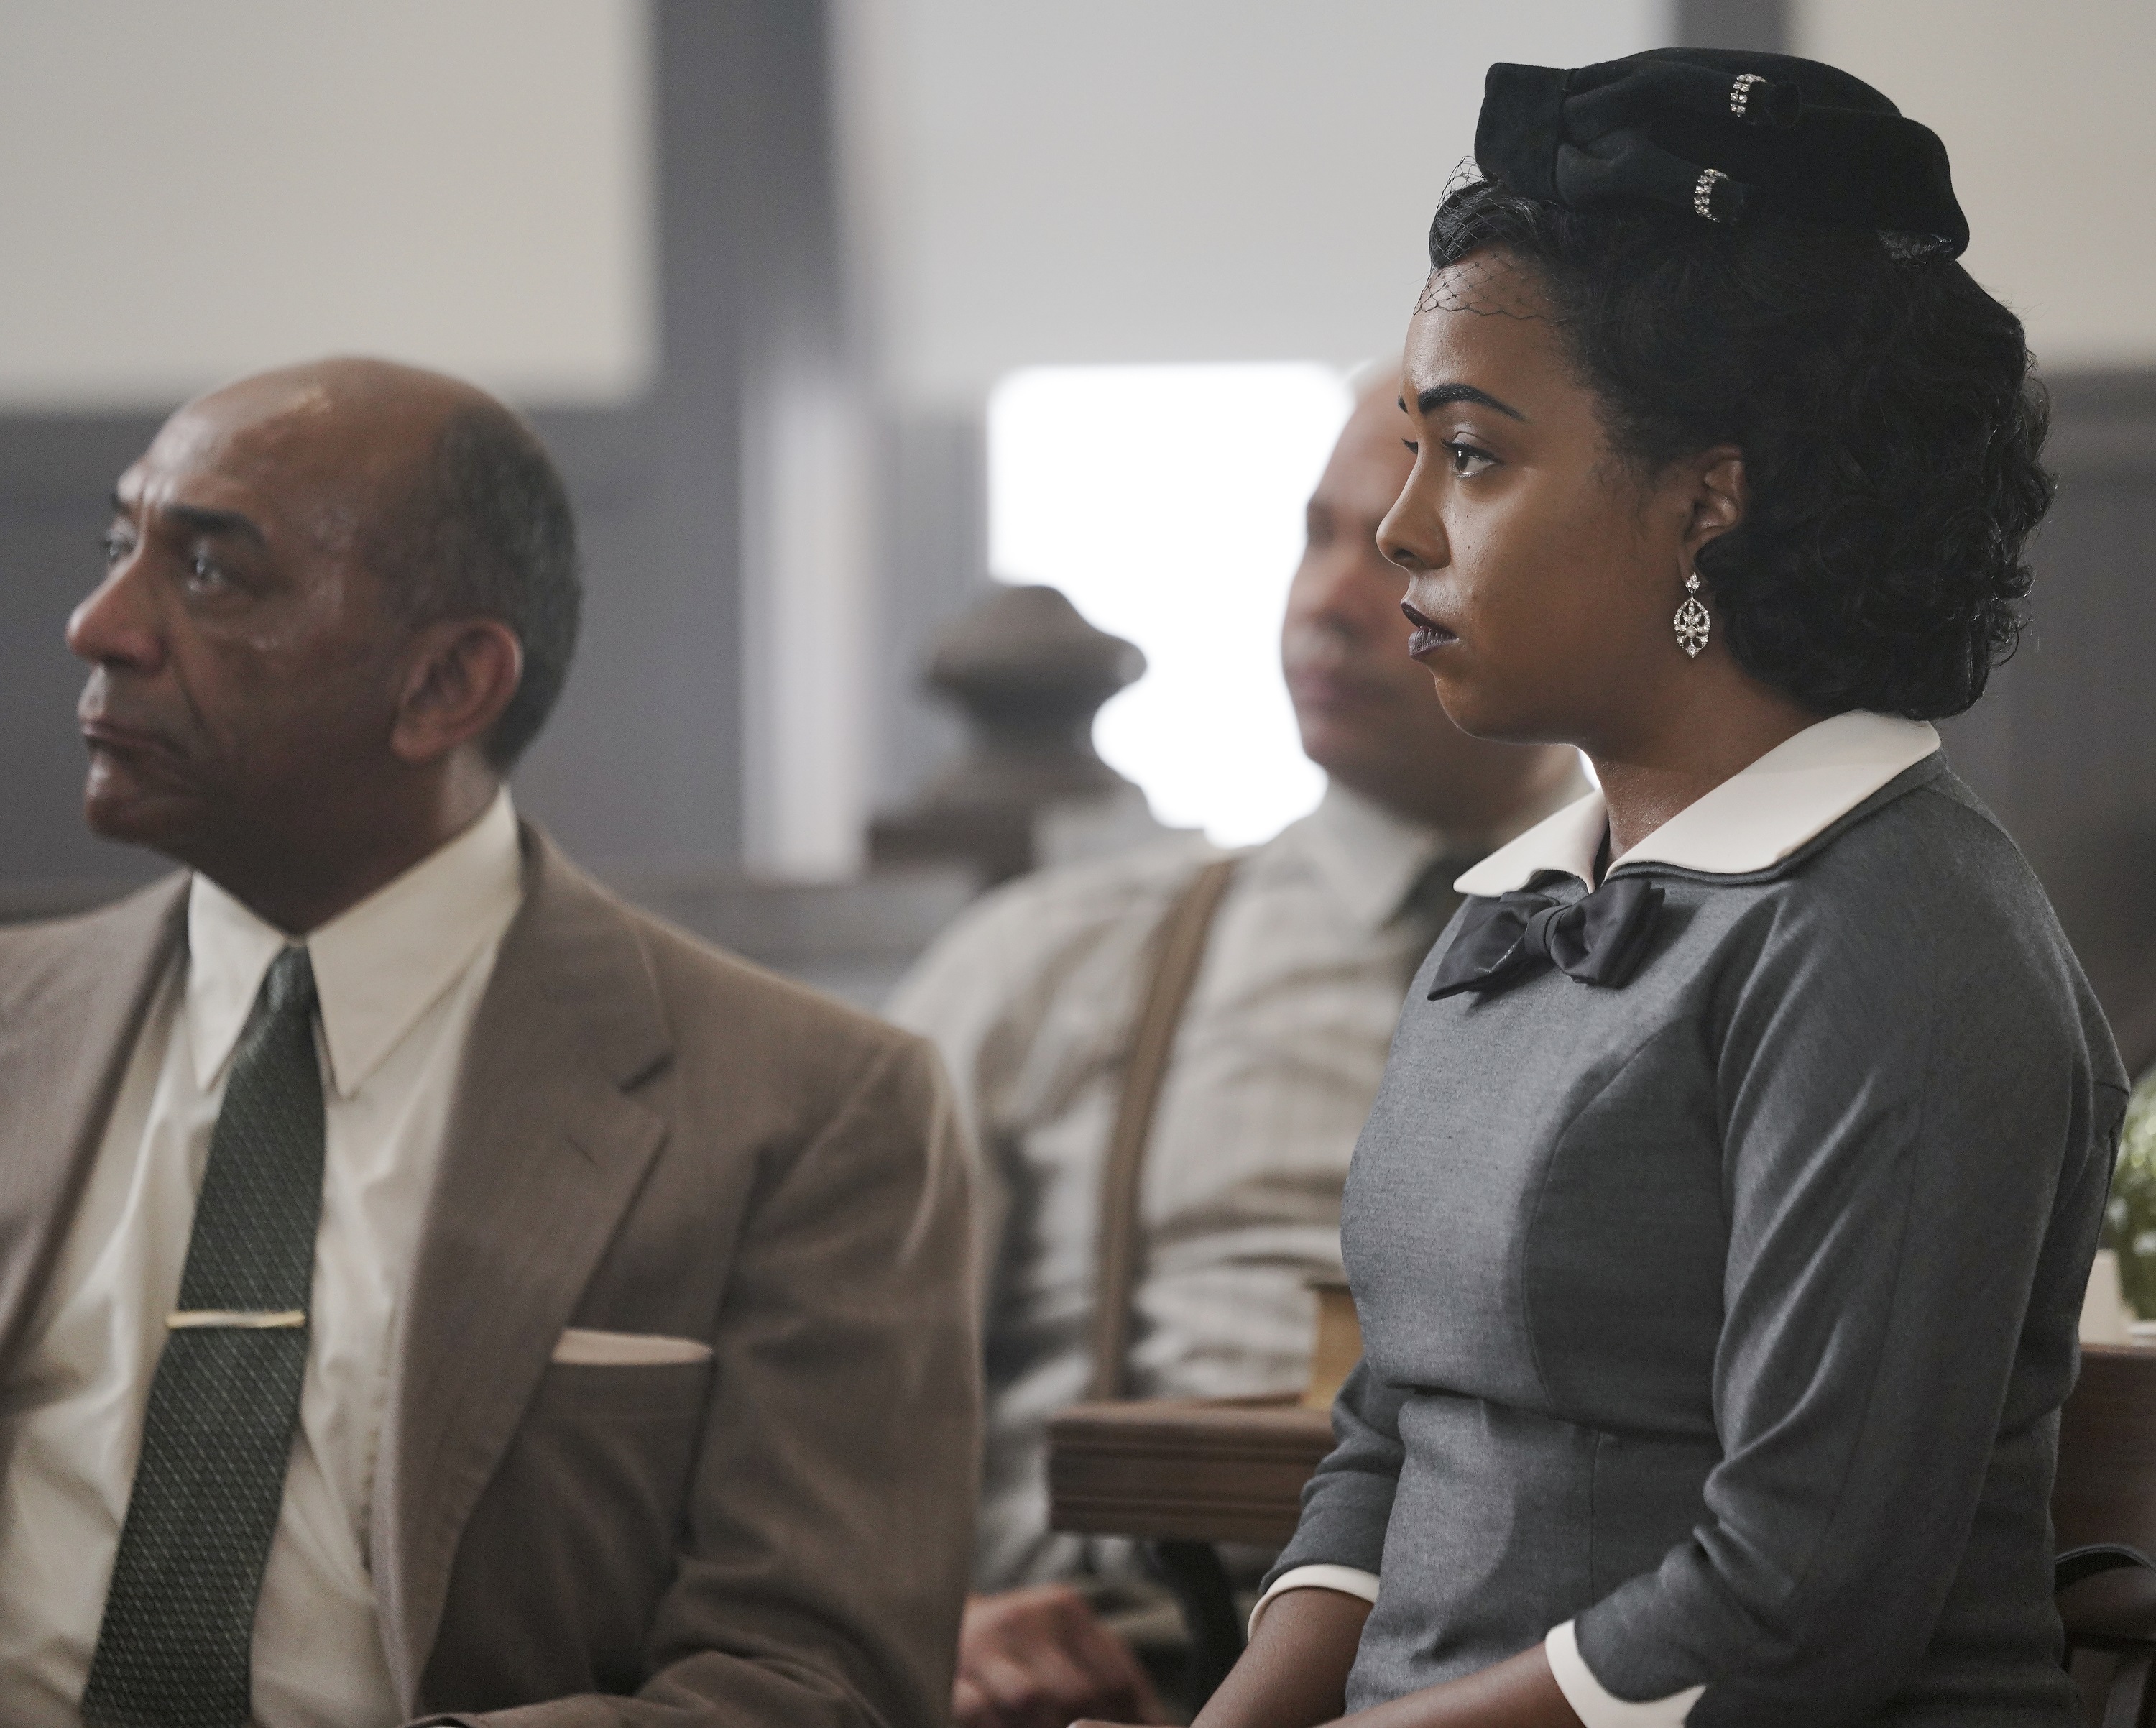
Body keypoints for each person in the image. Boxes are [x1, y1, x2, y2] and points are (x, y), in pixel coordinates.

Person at [1140, 49, 2126, 1728]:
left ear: (1705, 500)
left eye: (1470, 455)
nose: (1396, 533)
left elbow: (1790, 1607)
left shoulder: (1895, 938)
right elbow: (1396, 1435)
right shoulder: (1521, 901)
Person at [0, 358, 978, 1728]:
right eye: (122, 546)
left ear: (448, 683)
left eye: (211, 574)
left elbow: (811, 1683)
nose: (99, 624)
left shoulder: (809, 1110)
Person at [890, 372, 1583, 1728]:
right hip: (1115, 1672)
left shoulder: (1700, 965)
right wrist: (920, 1618)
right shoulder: (1053, 961)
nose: (1327, 601)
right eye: (1319, 536)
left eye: (1405, 548)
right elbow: (806, 1380)